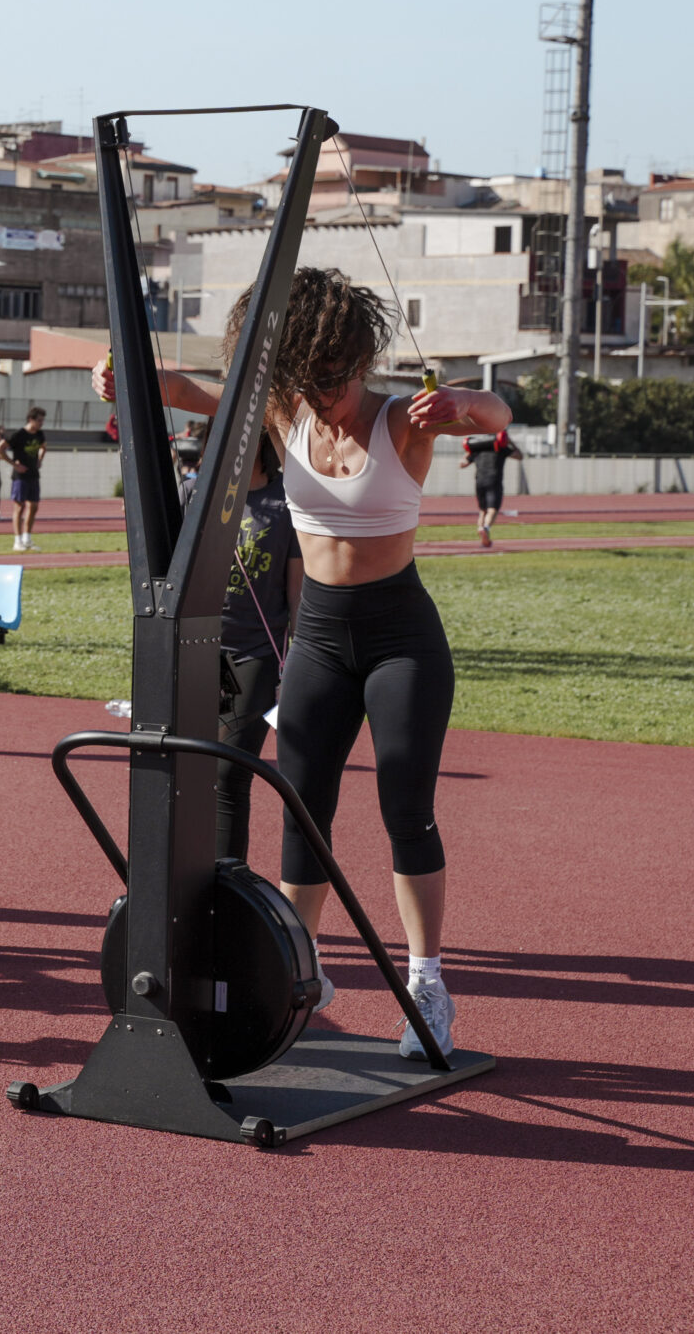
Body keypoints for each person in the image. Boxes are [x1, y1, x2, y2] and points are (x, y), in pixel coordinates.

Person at [96, 266, 512, 1057]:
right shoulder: (283, 410)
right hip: (317, 637)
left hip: (401, 639)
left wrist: (463, 401)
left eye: (335, 379)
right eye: (308, 379)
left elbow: (497, 413)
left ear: (359, 361)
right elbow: (183, 390)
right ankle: (301, 970)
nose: (324, 396)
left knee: (406, 808)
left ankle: (427, 982)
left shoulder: (401, 418)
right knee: (302, 809)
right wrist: (120, 375)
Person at [217, 442, 302, 862]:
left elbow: (297, 591)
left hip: (256, 654)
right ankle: (181, 877)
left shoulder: (288, 501)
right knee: (186, 771)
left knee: (229, 773)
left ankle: (226, 878)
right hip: (196, 651)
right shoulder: (196, 493)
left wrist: (298, 660)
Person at [460, 431, 521, 548]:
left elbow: (462, 464)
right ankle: (486, 528)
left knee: (483, 510)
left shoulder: (477, 450)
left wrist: (469, 450)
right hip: (494, 481)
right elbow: (519, 456)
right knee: (493, 509)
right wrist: (510, 442)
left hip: (479, 482)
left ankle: (481, 531)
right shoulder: (500, 448)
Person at [5, 405, 49, 550]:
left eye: (42, 421)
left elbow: (43, 447)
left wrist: (40, 459)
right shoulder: (19, 434)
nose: (41, 423)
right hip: (20, 476)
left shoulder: (39, 434)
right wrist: (14, 464)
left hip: (33, 475)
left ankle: (27, 539)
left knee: (34, 506)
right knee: (20, 507)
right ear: (31, 419)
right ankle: (17, 541)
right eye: (39, 420)